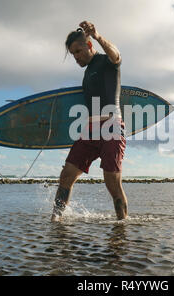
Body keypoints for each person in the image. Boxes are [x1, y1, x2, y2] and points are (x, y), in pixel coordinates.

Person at [51, 21, 128, 221]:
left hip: (112, 126)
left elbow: (117, 56)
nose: (76, 57)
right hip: (90, 130)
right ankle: (56, 221)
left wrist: (97, 36)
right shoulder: (87, 74)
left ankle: (122, 226)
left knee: (112, 183)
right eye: (73, 54)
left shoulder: (106, 62)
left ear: (90, 46)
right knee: (66, 175)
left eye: (78, 51)